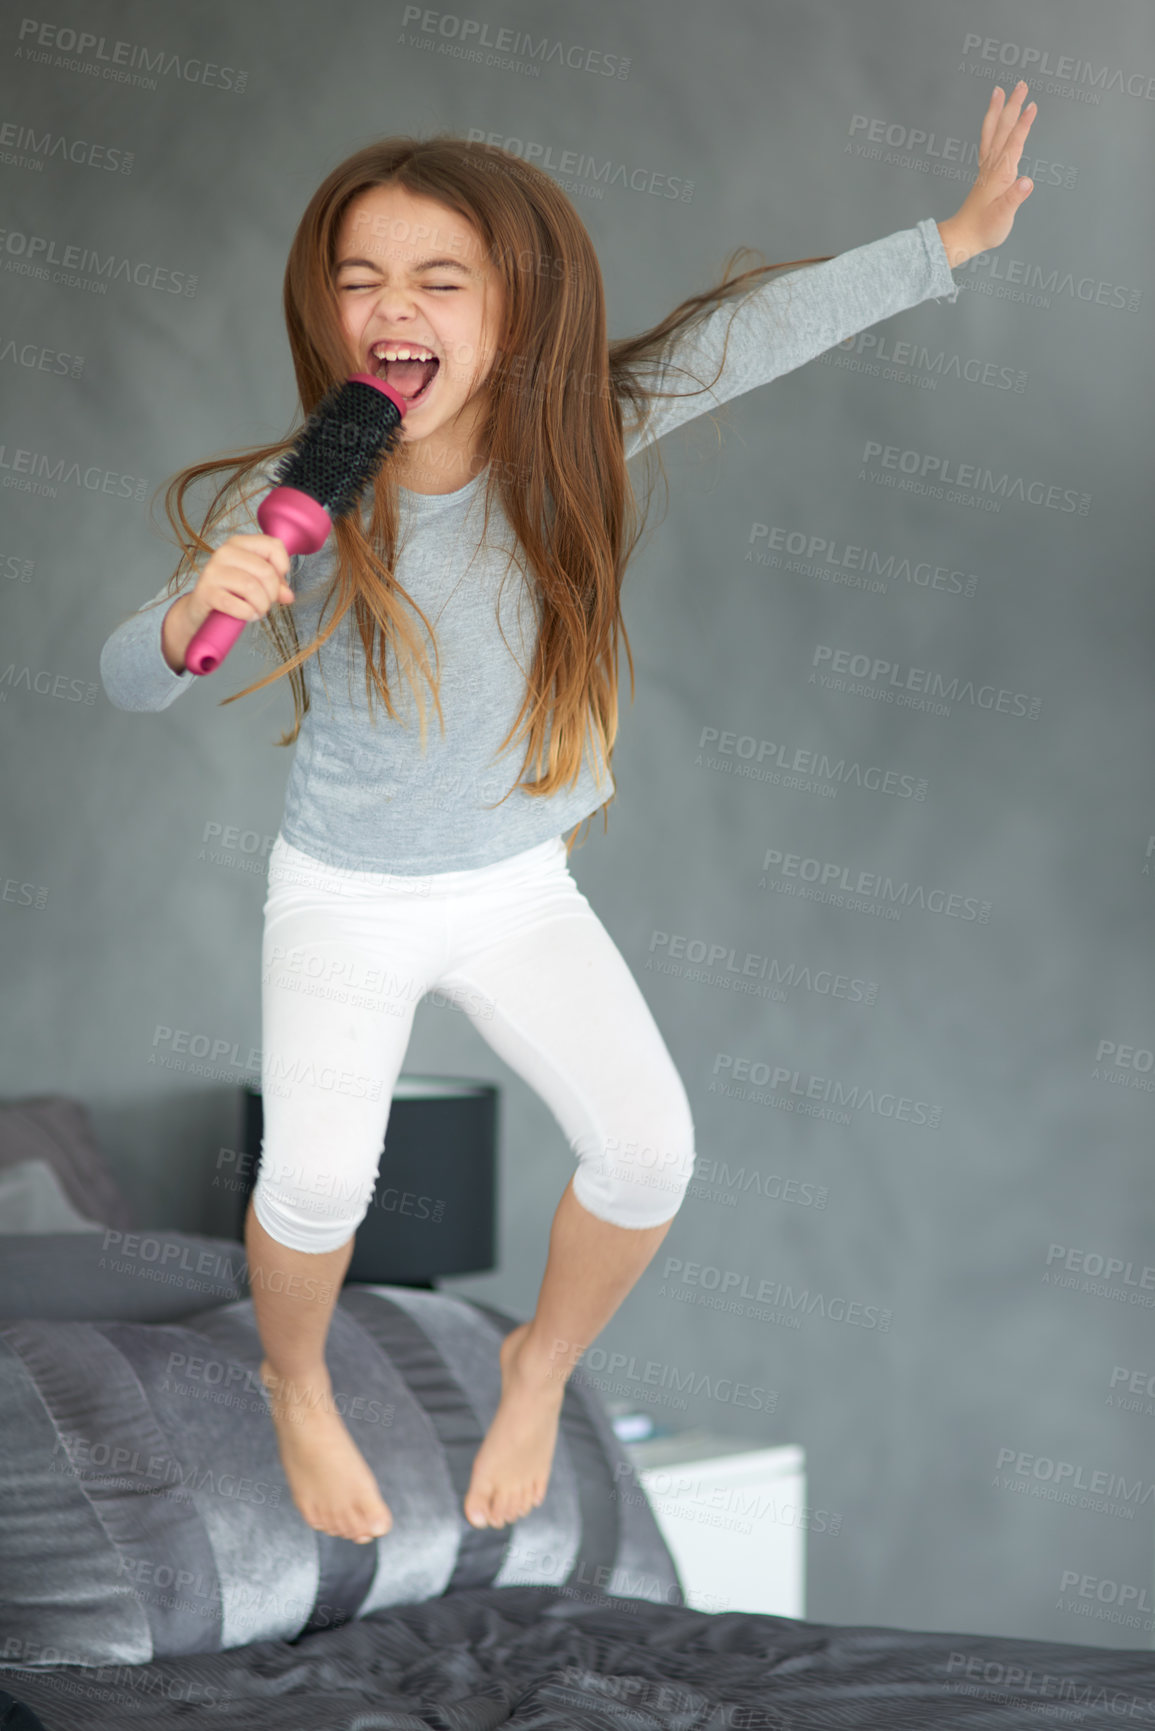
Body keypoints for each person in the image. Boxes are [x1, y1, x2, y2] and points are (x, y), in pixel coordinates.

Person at [99, 87, 1038, 1548]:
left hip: (516, 883)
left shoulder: (581, 431)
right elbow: (125, 676)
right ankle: (294, 1379)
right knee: (321, 1180)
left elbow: (761, 330)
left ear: (516, 308)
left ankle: (539, 1364)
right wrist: (183, 619)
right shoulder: (300, 502)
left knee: (650, 1151)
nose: (389, 307)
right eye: (359, 281)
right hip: (347, 890)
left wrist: (955, 239)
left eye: (436, 279)